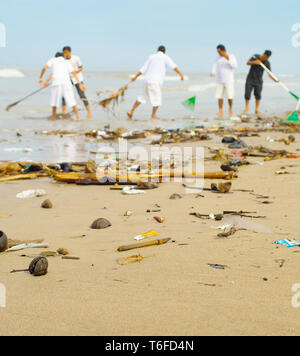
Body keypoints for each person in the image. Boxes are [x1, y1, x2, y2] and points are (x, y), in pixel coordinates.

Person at [127, 46, 184, 120]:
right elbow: (174, 67)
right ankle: (153, 116)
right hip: (155, 82)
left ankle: (131, 111)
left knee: (141, 97)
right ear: (164, 52)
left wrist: (135, 77)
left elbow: (143, 69)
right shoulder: (165, 57)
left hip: (147, 81)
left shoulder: (151, 57)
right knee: (157, 100)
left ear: (157, 51)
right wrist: (180, 74)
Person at [39, 52, 86, 121]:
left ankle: (54, 117)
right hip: (66, 83)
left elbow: (44, 68)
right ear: (62, 56)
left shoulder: (53, 60)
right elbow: (73, 73)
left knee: (54, 101)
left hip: (56, 83)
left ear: (55, 57)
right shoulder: (66, 62)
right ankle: (78, 117)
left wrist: (41, 78)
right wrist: (80, 84)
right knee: (72, 100)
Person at [243, 50, 278, 115]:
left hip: (259, 81)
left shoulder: (267, 63)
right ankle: (246, 108)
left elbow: (269, 73)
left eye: (268, 57)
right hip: (250, 79)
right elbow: (248, 63)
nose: (266, 58)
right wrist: (255, 62)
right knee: (247, 94)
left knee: (258, 95)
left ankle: (256, 109)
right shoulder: (256, 56)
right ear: (264, 54)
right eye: (266, 56)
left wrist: (275, 79)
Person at [62, 46, 92, 118]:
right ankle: (63, 113)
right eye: (64, 53)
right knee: (64, 96)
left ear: (70, 52)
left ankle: (89, 112)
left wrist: (76, 71)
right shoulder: (63, 60)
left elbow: (81, 67)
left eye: (66, 52)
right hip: (68, 79)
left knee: (82, 95)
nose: (65, 54)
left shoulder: (76, 58)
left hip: (78, 78)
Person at [210, 44, 238, 117]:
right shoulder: (218, 59)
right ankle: (220, 110)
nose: (218, 53)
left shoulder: (231, 56)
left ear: (223, 50)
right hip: (219, 80)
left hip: (229, 80)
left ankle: (230, 109)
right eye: (217, 52)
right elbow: (214, 66)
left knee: (230, 96)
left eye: (219, 51)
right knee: (219, 96)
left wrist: (227, 58)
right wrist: (213, 72)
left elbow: (234, 66)